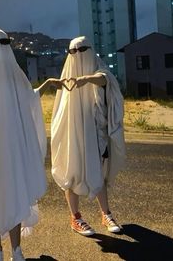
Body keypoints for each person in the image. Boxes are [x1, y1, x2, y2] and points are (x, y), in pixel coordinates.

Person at [0, 28, 48, 261]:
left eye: (2, 43)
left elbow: (29, 101)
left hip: (13, 151)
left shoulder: (15, 79)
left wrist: (44, 87)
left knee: (12, 195)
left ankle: (16, 250)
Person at [50, 36, 125, 236]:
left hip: (96, 133)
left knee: (98, 172)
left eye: (82, 50)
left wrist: (86, 79)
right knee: (72, 172)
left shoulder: (98, 71)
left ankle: (106, 214)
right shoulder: (67, 76)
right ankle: (76, 217)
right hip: (73, 134)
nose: (77, 55)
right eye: (73, 51)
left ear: (90, 50)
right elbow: (61, 111)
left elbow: (106, 80)